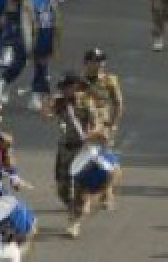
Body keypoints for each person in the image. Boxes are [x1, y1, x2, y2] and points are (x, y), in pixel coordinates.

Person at [47, 72, 106, 238]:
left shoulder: (86, 103)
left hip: (81, 150)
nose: (64, 90)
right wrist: (49, 102)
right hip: (64, 150)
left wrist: (90, 133)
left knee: (79, 187)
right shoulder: (60, 103)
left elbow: (96, 125)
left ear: (75, 87)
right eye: (63, 88)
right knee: (62, 188)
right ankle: (72, 207)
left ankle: (74, 222)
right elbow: (46, 116)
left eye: (67, 87)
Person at [82, 48, 123, 137]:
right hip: (82, 123)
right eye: (95, 61)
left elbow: (118, 103)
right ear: (86, 63)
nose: (99, 64)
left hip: (101, 122)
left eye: (101, 61)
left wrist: (114, 123)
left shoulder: (109, 80)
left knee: (100, 148)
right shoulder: (77, 81)